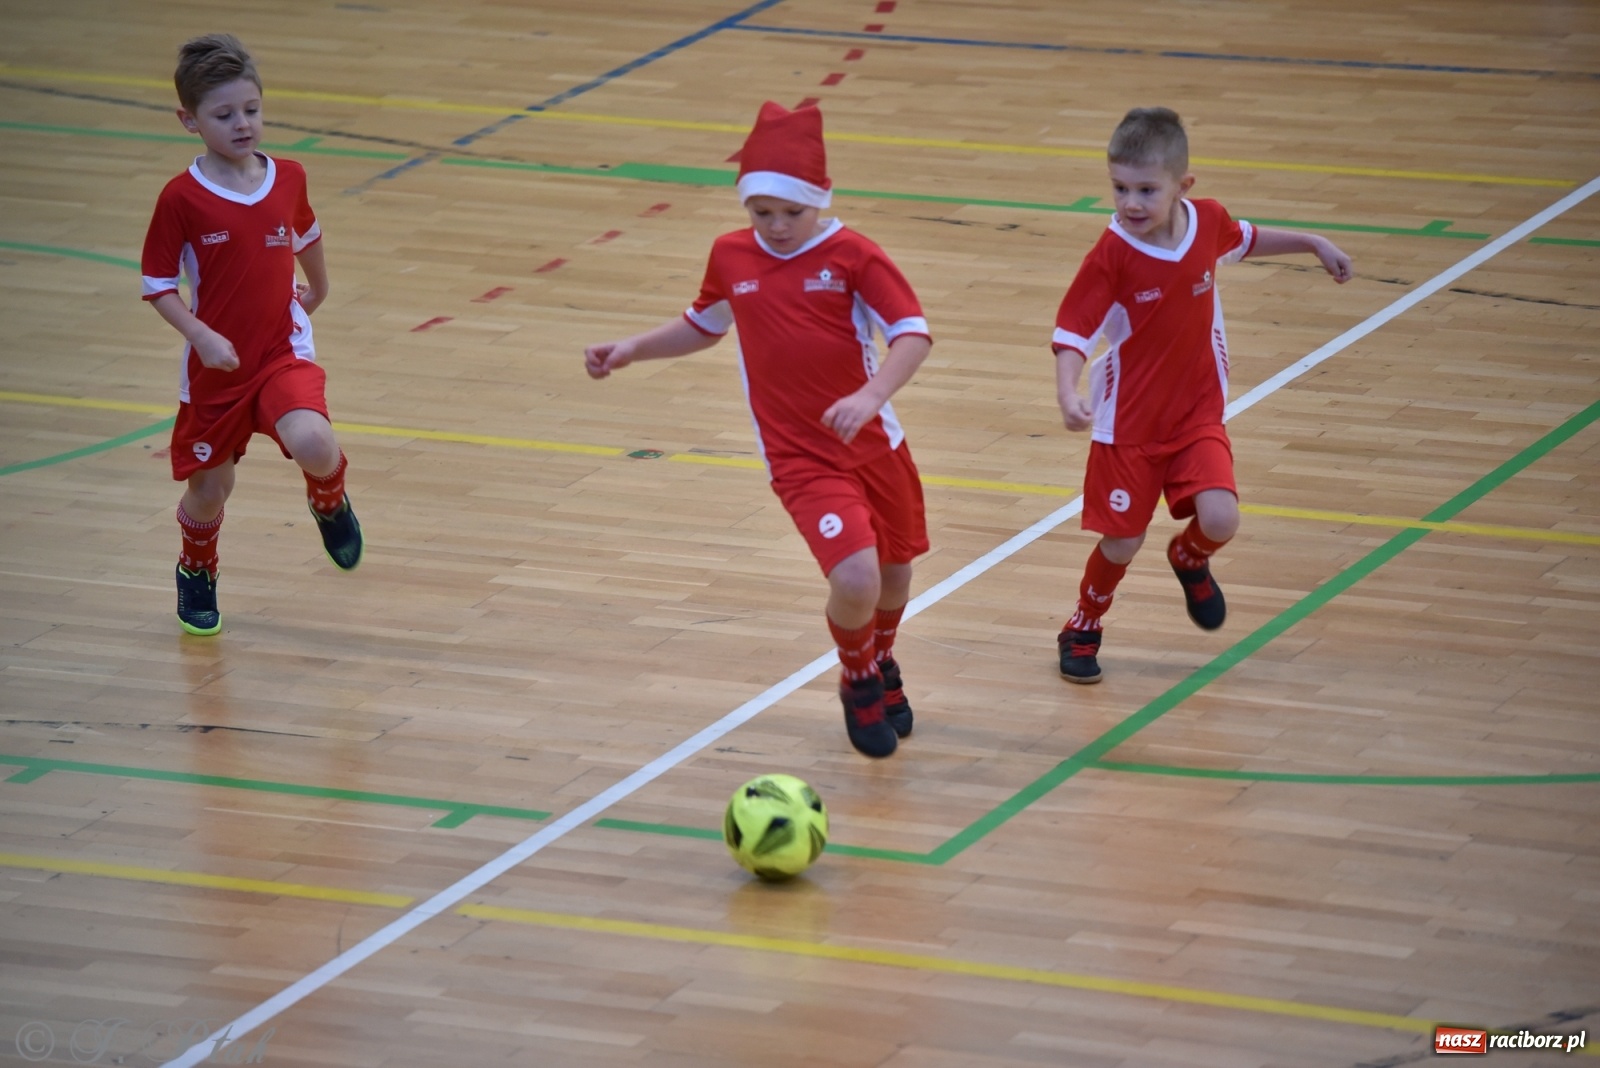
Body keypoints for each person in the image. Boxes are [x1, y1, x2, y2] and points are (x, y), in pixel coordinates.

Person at [583, 102, 932, 758]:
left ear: (820, 203)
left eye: (790, 213)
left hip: (876, 444)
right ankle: (858, 679)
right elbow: (705, 323)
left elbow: (913, 333)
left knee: (895, 574)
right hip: (801, 457)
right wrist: (633, 348)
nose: (774, 226)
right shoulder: (731, 255)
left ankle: (880, 658)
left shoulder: (855, 256)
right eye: (760, 212)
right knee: (854, 579)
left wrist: (870, 393)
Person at [1052, 106, 1352, 683]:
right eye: (1119, 188)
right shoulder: (1111, 255)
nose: (1130, 203)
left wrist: (1314, 243)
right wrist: (1068, 392)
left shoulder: (1206, 221)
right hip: (1129, 427)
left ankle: (1189, 558)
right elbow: (1071, 332)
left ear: (1182, 186)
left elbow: (1247, 238)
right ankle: (1082, 626)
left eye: (1146, 189)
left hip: (1196, 414)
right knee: (1121, 543)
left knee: (1221, 518)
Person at [141, 34, 362, 637]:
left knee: (315, 441)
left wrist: (318, 288)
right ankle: (197, 567)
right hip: (216, 372)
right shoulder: (181, 199)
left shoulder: (287, 176)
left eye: (252, 110)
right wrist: (202, 337)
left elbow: (306, 233)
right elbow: (158, 283)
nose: (243, 124)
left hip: (279, 353)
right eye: (224, 115)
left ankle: (329, 501)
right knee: (210, 490)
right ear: (189, 120)